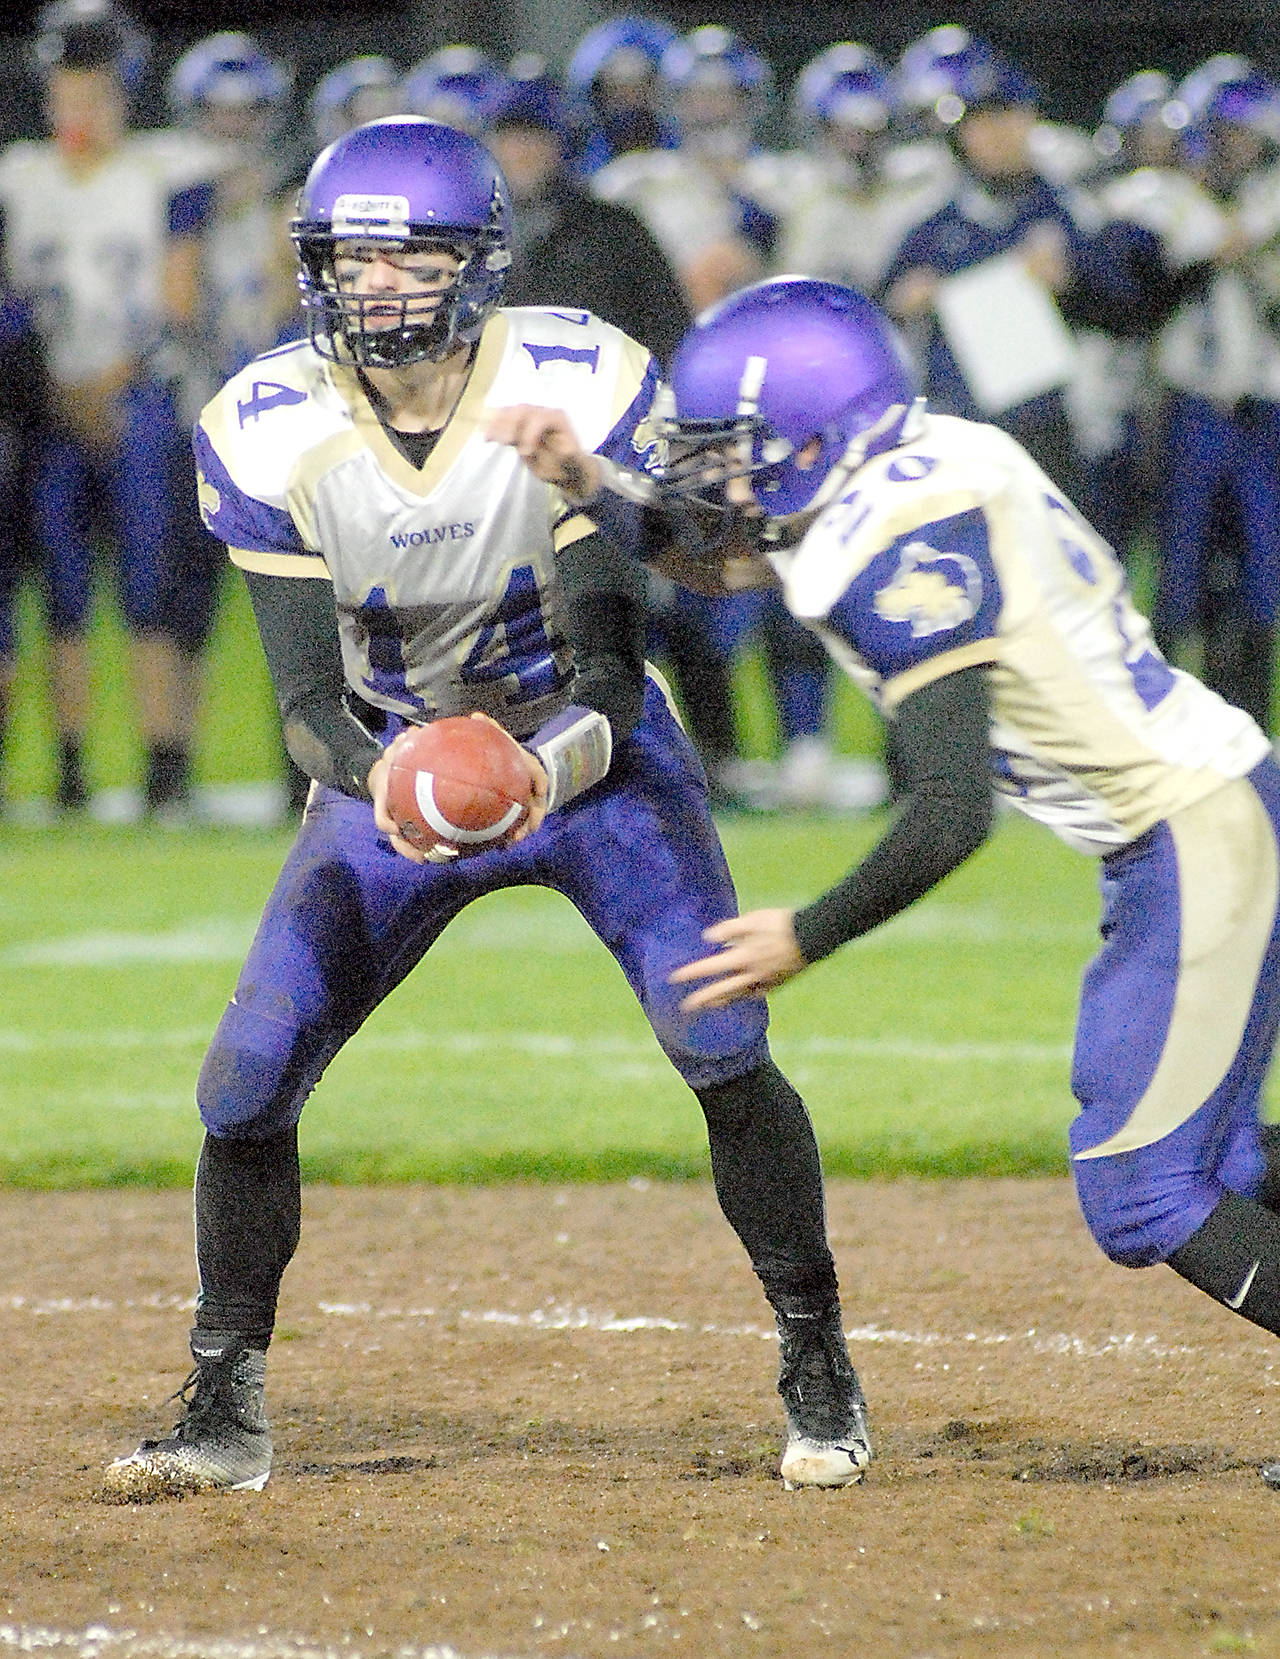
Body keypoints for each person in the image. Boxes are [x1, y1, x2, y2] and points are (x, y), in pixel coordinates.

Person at [101, 119, 868, 1500]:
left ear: (479, 262)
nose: (377, 284)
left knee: (722, 1044)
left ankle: (818, 1354)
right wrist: (387, 777)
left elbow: (613, 676)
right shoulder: (269, 420)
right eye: (351, 256)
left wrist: (533, 771)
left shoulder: (571, 377)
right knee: (244, 1086)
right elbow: (301, 703)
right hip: (394, 768)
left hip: (586, 757)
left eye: (410, 253)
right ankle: (225, 1397)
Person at [530, 274, 1280, 1483]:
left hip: (1194, 833)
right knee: (1212, 1161)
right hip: (1189, 819)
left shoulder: (894, 546)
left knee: (1144, 1192)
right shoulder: (921, 459)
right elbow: (723, 558)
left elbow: (947, 813)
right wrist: (591, 489)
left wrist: (806, 933)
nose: (712, 480)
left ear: (818, 442)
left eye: (734, 454)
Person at [0, 0, 217, 818]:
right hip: (47, 404)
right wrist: (51, 390)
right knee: (59, 590)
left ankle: (166, 765)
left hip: (140, 397)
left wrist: (106, 383)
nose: (74, 112)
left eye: (90, 93)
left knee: (151, 585)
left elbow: (178, 296)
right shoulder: (21, 176)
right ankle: (69, 767)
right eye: (63, 93)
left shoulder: (164, 171)